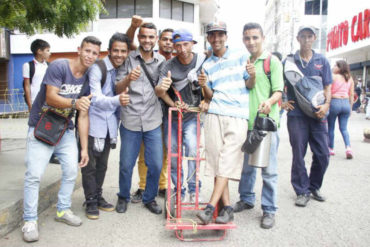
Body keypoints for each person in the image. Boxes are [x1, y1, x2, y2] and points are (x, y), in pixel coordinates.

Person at [22, 36, 101, 242]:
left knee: (71, 171)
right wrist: (75, 103)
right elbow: (50, 97)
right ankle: (29, 220)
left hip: (65, 128)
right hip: (42, 125)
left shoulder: (89, 77)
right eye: (87, 51)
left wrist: (84, 149)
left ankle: (62, 210)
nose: (90, 56)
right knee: (34, 175)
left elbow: (83, 115)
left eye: (94, 53)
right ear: (79, 50)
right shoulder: (59, 66)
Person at [196, 21, 253, 224]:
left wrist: (253, 75)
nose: (216, 39)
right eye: (212, 35)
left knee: (227, 160)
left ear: (226, 36)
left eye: (220, 35)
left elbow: (250, 83)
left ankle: (210, 207)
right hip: (215, 114)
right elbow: (210, 95)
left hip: (238, 115)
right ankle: (227, 209)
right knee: (217, 161)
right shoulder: (207, 64)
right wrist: (204, 87)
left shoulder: (240, 55)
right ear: (208, 38)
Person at [234, 23, 283, 229]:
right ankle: (246, 198)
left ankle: (269, 210)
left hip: (266, 125)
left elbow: (279, 91)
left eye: (255, 37)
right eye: (247, 38)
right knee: (246, 167)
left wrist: (269, 103)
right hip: (246, 122)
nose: (251, 42)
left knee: (268, 170)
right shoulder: (245, 61)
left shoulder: (272, 61)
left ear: (263, 37)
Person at [115, 22, 165, 215]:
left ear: (156, 39)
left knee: (156, 164)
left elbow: (162, 89)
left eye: (151, 37)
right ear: (139, 38)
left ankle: (149, 198)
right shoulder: (128, 59)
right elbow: (117, 89)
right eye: (143, 36)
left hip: (153, 120)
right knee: (126, 164)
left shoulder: (162, 62)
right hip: (130, 119)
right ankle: (123, 196)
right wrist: (129, 79)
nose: (147, 40)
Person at [82, 33, 131, 219]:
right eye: (116, 50)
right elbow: (96, 99)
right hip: (94, 124)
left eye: (123, 51)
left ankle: (97, 195)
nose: (119, 54)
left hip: (110, 127)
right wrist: (118, 100)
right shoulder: (97, 68)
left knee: (102, 166)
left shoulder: (119, 69)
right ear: (109, 51)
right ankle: (90, 201)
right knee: (90, 166)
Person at [283, 25, 332, 207]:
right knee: (298, 153)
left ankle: (313, 186)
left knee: (323, 154)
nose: (306, 40)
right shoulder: (289, 61)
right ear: (298, 38)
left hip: (318, 112)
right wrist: (283, 101)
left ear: (314, 38)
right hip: (296, 114)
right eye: (303, 36)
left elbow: (328, 86)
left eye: (309, 36)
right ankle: (301, 190)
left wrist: (326, 105)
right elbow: (280, 84)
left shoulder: (322, 61)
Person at [155, 29, 206, 203]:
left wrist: (205, 100)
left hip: (192, 117)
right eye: (178, 46)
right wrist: (172, 101)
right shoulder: (168, 66)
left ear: (192, 44)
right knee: (174, 154)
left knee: (192, 151)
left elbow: (211, 87)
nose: (182, 49)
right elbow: (159, 92)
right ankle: (179, 190)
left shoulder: (202, 61)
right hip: (173, 118)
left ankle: (193, 189)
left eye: (185, 44)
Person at [132, 27, 174, 203]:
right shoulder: (153, 59)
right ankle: (143, 187)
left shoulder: (179, 60)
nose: (168, 42)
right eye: (165, 39)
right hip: (149, 112)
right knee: (145, 152)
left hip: (170, 113)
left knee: (164, 152)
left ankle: (163, 185)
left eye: (171, 40)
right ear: (158, 40)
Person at [327, 60, 354, 159]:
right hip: (346, 103)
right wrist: (350, 108)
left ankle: (331, 148)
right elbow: (351, 94)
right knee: (344, 128)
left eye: (335, 65)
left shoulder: (333, 77)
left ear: (340, 67)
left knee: (331, 127)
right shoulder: (350, 78)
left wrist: (327, 103)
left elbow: (328, 91)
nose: (333, 67)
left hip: (335, 102)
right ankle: (348, 148)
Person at [23, 39, 51, 111]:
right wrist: (30, 105)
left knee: (49, 122)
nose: (49, 53)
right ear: (39, 51)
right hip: (35, 102)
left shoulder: (49, 65)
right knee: (37, 122)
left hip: (49, 102)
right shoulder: (28, 66)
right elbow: (27, 86)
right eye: (47, 50)